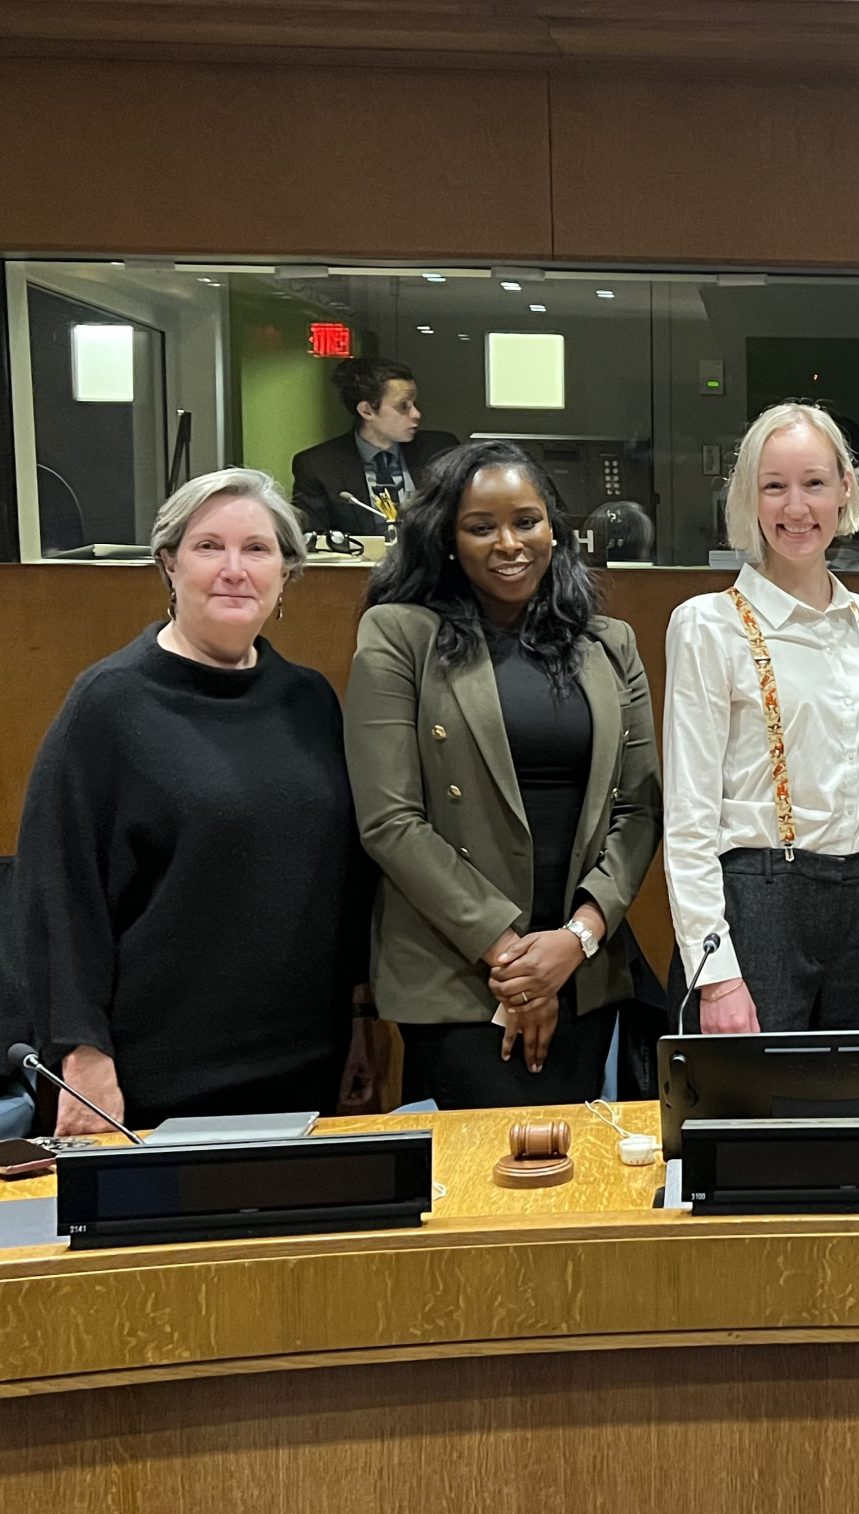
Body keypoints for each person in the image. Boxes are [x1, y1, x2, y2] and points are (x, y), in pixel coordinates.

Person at [15, 468, 377, 1132]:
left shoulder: (310, 701)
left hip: (303, 1069)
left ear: (286, 574)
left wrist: (358, 1022)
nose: (233, 569)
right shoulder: (108, 704)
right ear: (169, 564)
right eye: (209, 546)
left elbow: (343, 879)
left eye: (257, 549)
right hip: (149, 1083)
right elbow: (59, 894)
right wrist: (82, 1055)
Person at [344, 440, 658, 1108]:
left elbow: (639, 809)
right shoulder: (399, 635)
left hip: (583, 967)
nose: (509, 543)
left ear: (556, 529)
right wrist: (513, 960)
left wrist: (575, 940)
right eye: (481, 527)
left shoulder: (610, 644)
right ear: (447, 540)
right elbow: (389, 820)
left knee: (578, 1179)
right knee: (479, 1192)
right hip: (458, 975)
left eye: (526, 521)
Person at [664, 402, 859, 1034]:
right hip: (758, 903)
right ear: (749, 500)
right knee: (754, 1123)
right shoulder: (708, 625)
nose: (796, 507)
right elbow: (689, 815)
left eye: (813, 483)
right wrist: (715, 970)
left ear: (845, 490)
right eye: (774, 487)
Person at [292, 357, 459, 535]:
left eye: (414, 404)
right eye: (403, 406)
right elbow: (313, 540)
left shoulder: (441, 450)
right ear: (367, 411)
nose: (416, 414)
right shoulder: (318, 465)